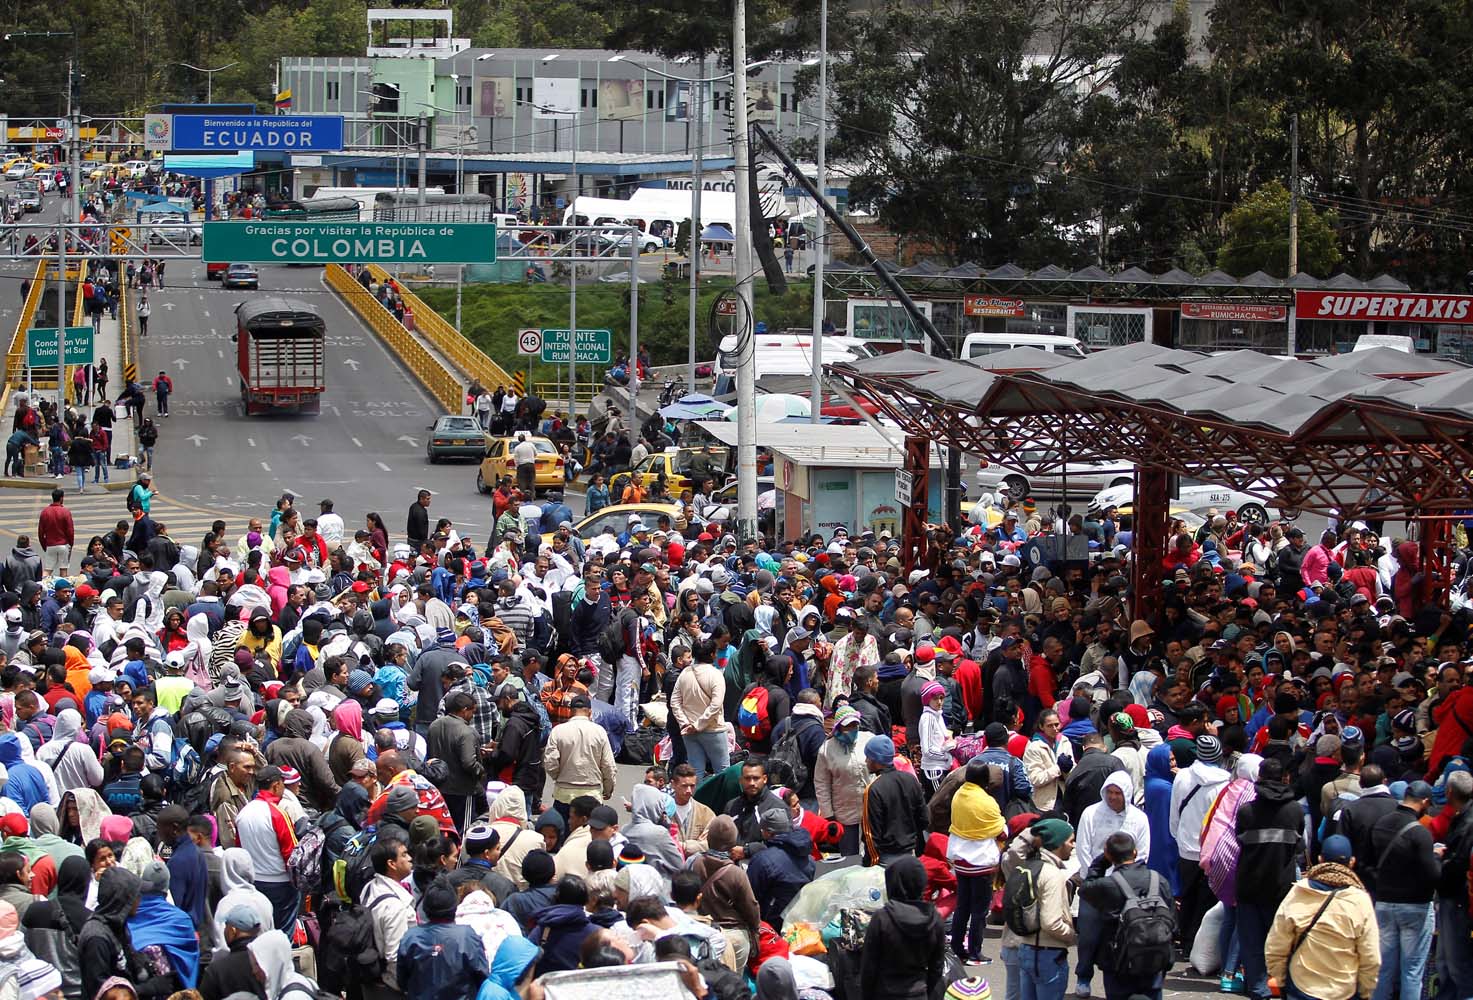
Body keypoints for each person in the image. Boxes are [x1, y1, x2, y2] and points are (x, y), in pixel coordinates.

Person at [1265, 834, 1380, 1000]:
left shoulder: (1299, 892)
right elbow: (1371, 956)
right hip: (1343, 990)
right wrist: (1366, 991)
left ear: (1320, 859)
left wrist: (1280, 981)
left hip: (1301, 987)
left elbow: (1276, 944)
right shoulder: (1359, 900)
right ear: (1352, 862)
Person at [1366, 779, 1440, 1000]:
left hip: (1384, 903)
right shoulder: (1420, 833)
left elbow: (1367, 863)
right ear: (1425, 802)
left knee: (1384, 969)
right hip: (1415, 907)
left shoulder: (1381, 824)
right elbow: (1433, 875)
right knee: (1412, 972)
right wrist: (1436, 857)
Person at [1080, 832, 1175, 1000]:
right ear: (1135, 852)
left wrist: (1100, 863)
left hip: (1118, 961)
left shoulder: (1107, 885)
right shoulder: (1159, 880)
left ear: (1109, 855)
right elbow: (1172, 920)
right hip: (1155, 958)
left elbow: (1085, 889)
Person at [860, 856, 947, 1000]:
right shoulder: (934, 918)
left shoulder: (882, 918)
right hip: (919, 992)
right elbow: (936, 967)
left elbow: (869, 967)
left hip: (885, 993)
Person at [395, 881, 489, 1000]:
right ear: (454, 906)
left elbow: (402, 980)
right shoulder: (466, 935)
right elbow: (481, 974)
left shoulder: (411, 936)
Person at [860, 735, 928, 867]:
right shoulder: (911, 780)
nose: (866, 760)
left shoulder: (873, 789)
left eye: (868, 757)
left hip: (886, 860)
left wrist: (871, 864)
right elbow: (924, 819)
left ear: (876, 760)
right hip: (911, 856)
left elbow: (870, 834)